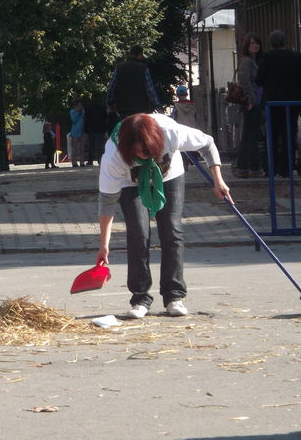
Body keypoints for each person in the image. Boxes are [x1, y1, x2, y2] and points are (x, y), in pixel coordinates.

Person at [97, 112, 232, 318]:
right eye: (138, 153)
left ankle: (174, 296)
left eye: (149, 152)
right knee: (138, 233)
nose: (144, 156)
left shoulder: (171, 133)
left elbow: (207, 144)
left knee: (171, 229)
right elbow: (107, 203)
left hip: (170, 177)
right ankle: (140, 299)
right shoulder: (113, 156)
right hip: (130, 184)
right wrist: (104, 245)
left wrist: (218, 180)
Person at [255, 30, 301, 178]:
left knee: (272, 135)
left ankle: (271, 168)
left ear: (271, 42)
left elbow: (259, 80)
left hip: (272, 101)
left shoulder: (267, 58)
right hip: (291, 101)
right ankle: (287, 167)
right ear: (284, 41)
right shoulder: (296, 57)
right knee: (289, 133)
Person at [234, 32, 265, 178]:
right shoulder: (247, 61)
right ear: (247, 45)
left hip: (251, 101)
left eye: (257, 43)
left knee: (247, 134)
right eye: (252, 43)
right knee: (252, 134)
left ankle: (243, 166)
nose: (255, 45)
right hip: (251, 102)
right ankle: (253, 166)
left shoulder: (251, 60)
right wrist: (252, 100)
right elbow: (245, 80)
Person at [107, 45, 160, 119]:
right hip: (140, 108)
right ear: (140, 54)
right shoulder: (143, 68)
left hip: (122, 108)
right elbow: (150, 90)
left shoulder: (119, 68)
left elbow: (111, 88)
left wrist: (110, 102)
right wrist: (156, 105)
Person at [170, 85, 197, 171]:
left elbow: (173, 117)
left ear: (177, 95)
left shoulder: (176, 106)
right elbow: (196, 117)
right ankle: (192, 161)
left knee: (182, 148)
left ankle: (184, 165)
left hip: (180, 129)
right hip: (191, 129)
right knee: (190, 146)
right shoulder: (192, 105)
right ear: (186, 94)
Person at [84, 94, 108, 165]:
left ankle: (90, 161)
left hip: (91, 128)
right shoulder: (102, 107)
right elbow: (105, 117)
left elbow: (86, 118)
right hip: (100, 128)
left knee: (91, 145)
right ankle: (100, 160)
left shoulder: (88, 107)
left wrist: (86, 129)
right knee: (100, 145)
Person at [69, 100, 86, 167]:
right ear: (75, 106)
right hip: (75, 132)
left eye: (81, 105)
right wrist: (78, 112)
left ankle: (82, 162)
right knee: (75, 148)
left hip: (82, 132)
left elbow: (84, 120)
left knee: (82, 148)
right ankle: (74, 162)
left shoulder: (83, 111)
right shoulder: (72, 111)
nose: (80, 107)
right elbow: (74, 120)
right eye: (78, 105)